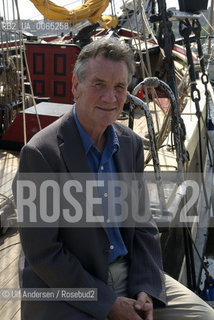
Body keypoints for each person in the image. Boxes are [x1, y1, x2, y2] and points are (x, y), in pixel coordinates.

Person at [13, 37, 214, 320]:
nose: (110, 97)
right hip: (69, 286)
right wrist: (108, 303)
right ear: (75, 86)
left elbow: (142, 224)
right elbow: (45, 254)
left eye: (119, 87)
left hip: (128, 272)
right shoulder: (40, 154)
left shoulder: (130, 144)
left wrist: (145, 287)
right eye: (99, 84)